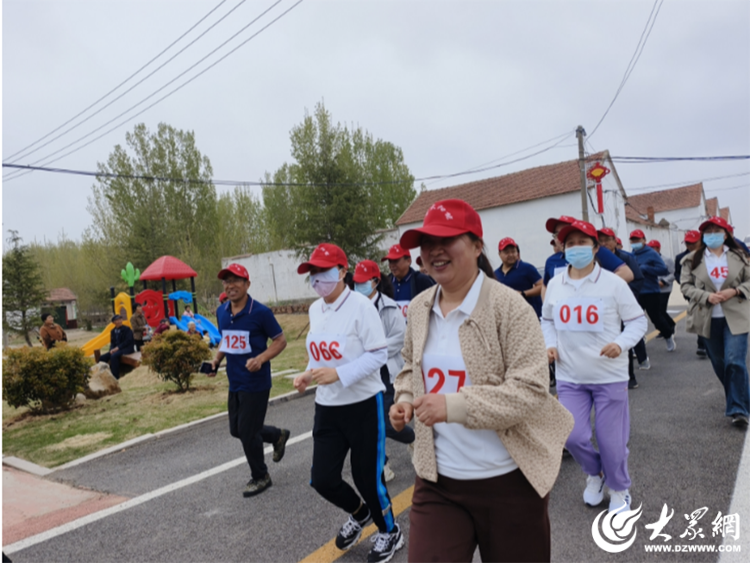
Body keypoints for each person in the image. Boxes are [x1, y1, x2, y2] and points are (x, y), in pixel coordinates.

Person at [390, 199, 573, 563]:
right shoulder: (419, 308)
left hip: (510, 482)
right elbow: (411, 367)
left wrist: (453, 405)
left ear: (477, 246)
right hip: (438, 482)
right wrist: (406, 398)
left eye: (448, 239)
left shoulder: (509, 307)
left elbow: (531, 390)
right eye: (426, 242)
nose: (434, 251)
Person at [293, 243, 403, 563]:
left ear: (342, 272)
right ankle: (360, 513)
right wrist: (307, 375)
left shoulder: (361, 307)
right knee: (323, 479)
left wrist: (340, 374)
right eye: (313, 274)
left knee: (367, 478)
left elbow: (379, 354)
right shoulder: (316, 309)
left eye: (324, 272)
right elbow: (318, 355)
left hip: (363, 405)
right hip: (327, 408)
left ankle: (390, 530)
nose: (318, 280)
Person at [543, 220, 647, 513]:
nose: (576, 248)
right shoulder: (555, 284)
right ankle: (596, 474)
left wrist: (622, 343)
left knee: (611, 441)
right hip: (569, 376)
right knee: (572, 436)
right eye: (570, 243)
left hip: (608, 376)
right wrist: (549, 344)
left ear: (596, 248)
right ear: (563, 248)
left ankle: (619, 487)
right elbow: (547, 320)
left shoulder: (613, 284)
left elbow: (638, 321)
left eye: (582, 243)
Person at [208, 263, 291, 497]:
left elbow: (280, 341)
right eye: (226, 281)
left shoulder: (261, 312)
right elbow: (226, 339)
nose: (230, 285)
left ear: (247, 284)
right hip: (235, 379)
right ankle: (277, 435)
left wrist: (261, 358)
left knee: (246, 432)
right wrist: (216, 361)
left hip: (256, 382)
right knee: (236, 429)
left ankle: (260, 476)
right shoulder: (222, 311)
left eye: (236, 280)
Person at [680, 216, 750, 427]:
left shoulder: (740, 256)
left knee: (735, 361)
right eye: (707, 231)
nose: (712, 235)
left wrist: (736, 290)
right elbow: (685, 286)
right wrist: (705, 296)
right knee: (720, 364)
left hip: (736, 315)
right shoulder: (692, 259)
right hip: (707, 317)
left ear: (726, 234)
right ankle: (742, 396)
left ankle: (738, 409)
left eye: (716, 231)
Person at [353, 259, 414, 482]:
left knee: (386, 422)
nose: (358, 286)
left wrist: (373, 351)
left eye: (363, 282)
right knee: (367, 422)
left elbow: (400, 338)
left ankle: (413, 438)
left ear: (375, 282)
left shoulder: (389, 307)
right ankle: (383, 463)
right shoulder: (353, 307)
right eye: (356, 282)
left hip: (386, 372)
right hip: (364, 374)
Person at [598, 228, 647, 389]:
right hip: (601, 308)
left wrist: (622, 297)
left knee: (623, 339)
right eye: (600, 241)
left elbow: (637, 279)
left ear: (615, 240)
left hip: (622, 306)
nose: (604, 244)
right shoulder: (596, 259)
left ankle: (630, 376)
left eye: (607, 240)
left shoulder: (626, 258)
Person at [543, 216, 634, 290]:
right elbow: (545, 286)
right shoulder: (551, 261)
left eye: (565, 232)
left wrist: (597, 288)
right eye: (556, 234)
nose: (560, 238)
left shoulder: (596, 251)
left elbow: (626, 273)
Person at [629, 229, 676, 352]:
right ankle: (636, 346)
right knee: (635, 319)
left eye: (637, 240)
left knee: (656, 318)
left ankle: (668, 335)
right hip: (636, 292)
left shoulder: (651, 253)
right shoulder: (631, 255)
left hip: (651, 291)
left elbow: (663, 270)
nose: (635, 242)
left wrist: (646, 268)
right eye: (633, 240)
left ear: (644, 240)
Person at [382, 243, 435, 320]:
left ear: (408, 261)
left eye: (396, 261)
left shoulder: (421, 280)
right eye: (390, 261)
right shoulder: (386, 283)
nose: (392, 265)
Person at [675, 230, 707, 358]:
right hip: (692, 294)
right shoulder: (681, 258)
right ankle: (702, 345)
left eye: (693, 243)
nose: (690, 246)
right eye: (688, 243)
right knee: (700, 317)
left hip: (709, 292)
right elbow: (677, 273)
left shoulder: (708, 255)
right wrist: (685, 283)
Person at [494, 237, 543, 318]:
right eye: (507, 252)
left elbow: (542, 286)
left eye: (513, 251)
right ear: (500, 254)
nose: (511, 255)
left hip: (527, 316)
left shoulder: (527, 268)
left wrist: (523, 293)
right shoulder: (495, 274)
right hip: (506, 319)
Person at [647, 239, 676, 339]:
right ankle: (664, 328)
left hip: (664, 289)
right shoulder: (646, 260)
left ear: (658, 248)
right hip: (651, 289)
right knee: (655, 311)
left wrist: (664, 281)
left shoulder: (667, 260)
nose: (650, 250)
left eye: (653, 248)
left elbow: (673, 274)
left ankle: (670, 325)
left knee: (661, 310)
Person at [99, 315, 135, 379]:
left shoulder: (127, 329)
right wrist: (111, 349)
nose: (119, 321)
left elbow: (128, 341)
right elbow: (112, 342)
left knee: (114, 356)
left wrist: (118, 348)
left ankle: (115, 377)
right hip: (116, 349)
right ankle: (103, 375)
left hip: (126, 348)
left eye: (120, 319)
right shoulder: (113, 331)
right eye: (117, 320)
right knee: (102, 358)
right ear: (114, 322)